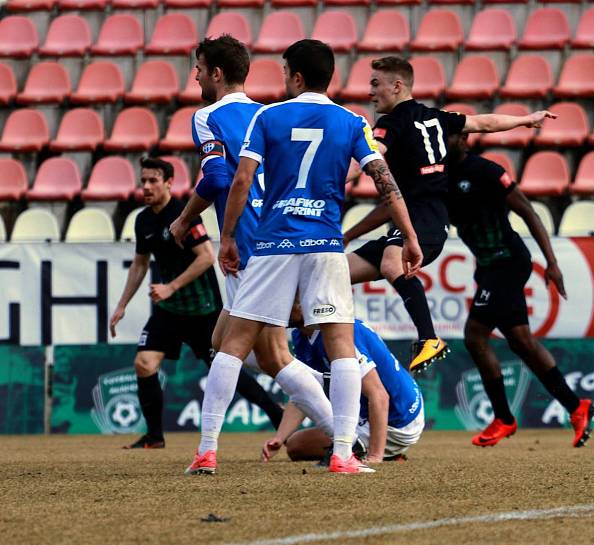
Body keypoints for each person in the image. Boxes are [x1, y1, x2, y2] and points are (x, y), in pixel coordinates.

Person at [185, 39, 422, 475]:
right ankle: (343, 454)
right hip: (325, 245)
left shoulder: (267, 116)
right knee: (341, 349)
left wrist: (229, 237)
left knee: (232, 343)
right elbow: (384, 180)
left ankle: (207, 450)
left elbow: (240, 181)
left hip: (274, 244)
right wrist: (408, 235)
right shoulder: (352, 121)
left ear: (295, 77)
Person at [344, 56, 556, 373]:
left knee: (392, 262)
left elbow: (371, 159)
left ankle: (429, 338)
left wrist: (330, 178)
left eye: (376, 84)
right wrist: (526, 119)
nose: (370, 91)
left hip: (422, 217)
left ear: (397, 86)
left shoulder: (391, 123)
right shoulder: (435, 117)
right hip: (417, 220)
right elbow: (483, 122)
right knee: (335, 272)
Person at [170, 35, 336, 434]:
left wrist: (183, 218)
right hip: (282, 232)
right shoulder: (269, 115)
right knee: (226, 342)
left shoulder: (207, 116)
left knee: (270, 354)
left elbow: (216, 178)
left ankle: (345, 427)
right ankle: (342, 419)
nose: (194, 77)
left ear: (216, 73)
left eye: (198, 68)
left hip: (245, 241)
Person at [109, 157, 282, 448]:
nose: (147, 187)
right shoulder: (143, 220)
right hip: (168, 311)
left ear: (168, 183)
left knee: (227, 368)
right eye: (143, 181)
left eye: (153, 180)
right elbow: (139, 264)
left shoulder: (184, 214)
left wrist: (171, 286)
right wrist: (122, 304)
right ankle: (154, 437)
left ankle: (277, 415)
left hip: (203, 310)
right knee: (144, 363)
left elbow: (205, 257)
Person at [447, 134, 594, 448]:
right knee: (522, 342)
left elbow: (528, 211)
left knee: (475, 336)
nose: (441, 140)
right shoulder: (438, 175)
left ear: (463, 138)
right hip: (488, 266)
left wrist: (552, 263)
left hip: (508, 262)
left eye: (447, 134)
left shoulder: (485, 171)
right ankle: (575, 407)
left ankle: (503, 417)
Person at [263, 309, 424, 464]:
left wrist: (376, 456)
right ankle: (375, 450)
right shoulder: (302, 335)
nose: (281, 306)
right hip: (397, 407)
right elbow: (305, 390)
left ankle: (380, 452)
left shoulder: (339, 332)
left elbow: (379, 395)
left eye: (289, 300)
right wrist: (279, 438)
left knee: (297, 446)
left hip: (399, 420)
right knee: (295, 445)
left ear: (306, 302)